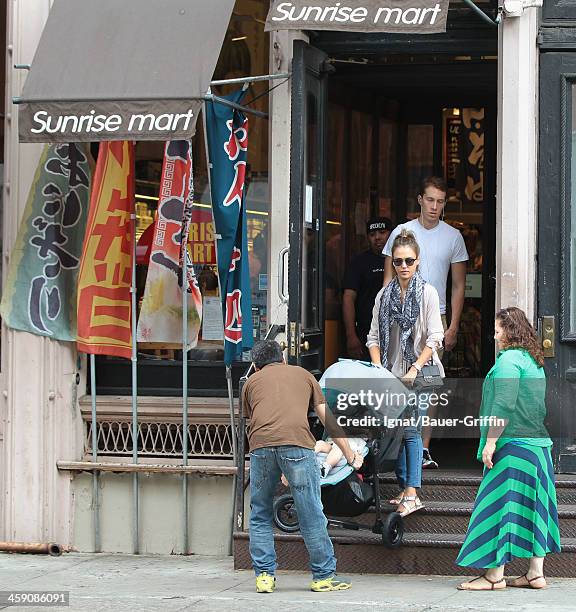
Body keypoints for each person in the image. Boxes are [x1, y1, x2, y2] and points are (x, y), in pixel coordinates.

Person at [242, 340, 363, 594]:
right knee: (310, 512)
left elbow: (254, 421)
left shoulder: (251, 382)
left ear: (255, 365)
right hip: (298, 445)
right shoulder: (304, 375)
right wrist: (350, 455)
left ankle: (264, 577)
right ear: (283, 358)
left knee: (260, 512)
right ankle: (323, 577)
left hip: (261, 448)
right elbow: (328, 420)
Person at [456, 307, 561, 591]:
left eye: (498, 329)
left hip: (514, 447)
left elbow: (503, 404)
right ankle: (535, 573)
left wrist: (490, 442)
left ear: (510, 331)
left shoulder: (509, 361)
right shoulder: (532, 360)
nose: (494, 335)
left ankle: (493, 576)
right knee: (536, 508)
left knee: (496, 508)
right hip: (538, 448)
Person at [383, 177, 468, 469]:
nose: (434, 207)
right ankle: (396, 449)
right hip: (399, 314)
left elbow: (459, 285)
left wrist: (453, 325)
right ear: (420, 199)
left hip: (437, 317)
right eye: (430, 200)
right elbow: (387, 281)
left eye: (440, 202)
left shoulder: (453, 236)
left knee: (429, 385)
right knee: (397, 382)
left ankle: (424, 449)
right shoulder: (401, 232)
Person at [366, 230, 444, 517]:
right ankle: (404, 488)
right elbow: (373, 337)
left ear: (418, 261)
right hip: (391, 372)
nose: (404, 266)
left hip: (422, 371)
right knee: (396, 431)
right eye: (398, 261)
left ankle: (412, 492)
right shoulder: (383, 297)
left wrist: (413, 369)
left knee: (411, 430)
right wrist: (378, 369)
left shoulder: (428, 293)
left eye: (409, 260)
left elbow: (435, 337)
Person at [343, 217, 393, 360]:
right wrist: (351, 335)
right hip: (365, 332)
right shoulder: (359, 262)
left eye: (382, 232)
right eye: (372, 234)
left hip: (396, 331)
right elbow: (348, 298)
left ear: (391, 234)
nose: (377, 237)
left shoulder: (402, 260)